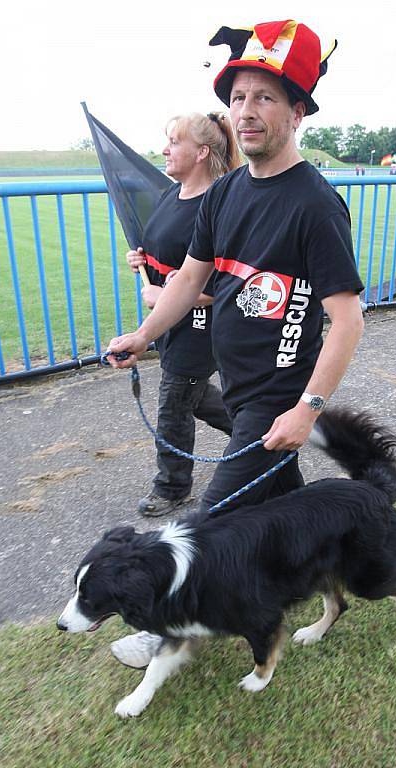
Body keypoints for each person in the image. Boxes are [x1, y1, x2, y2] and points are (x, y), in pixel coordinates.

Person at [106, 19, 365, 668]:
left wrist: (306, 409)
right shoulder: (224, 193)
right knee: (289, 516)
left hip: (274, 399)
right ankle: (336, 571)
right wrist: (142, 335)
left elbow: (348, 319)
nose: (246, 113)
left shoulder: (315, 205)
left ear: (298, 110)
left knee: (206, 526)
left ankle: (165, 632)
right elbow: (190, 277)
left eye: (265, 98)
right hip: (243, 387)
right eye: (238, 97)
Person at [128, 112, 240, 515]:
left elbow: (215, 285)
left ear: (202, 152)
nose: (164, 149)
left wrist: (161, 294)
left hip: (199, 328)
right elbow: (165, 251)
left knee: (174, 403)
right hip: (170, 324)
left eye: (174, 141)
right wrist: (141, 259)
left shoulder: (216, 207)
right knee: (192, 396)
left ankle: (172, 486)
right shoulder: (169, 195)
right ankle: (255, 434)